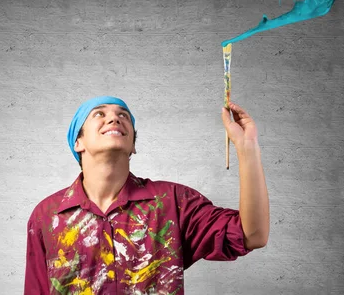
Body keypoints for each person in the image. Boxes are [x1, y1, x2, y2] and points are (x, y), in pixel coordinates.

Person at [24, 96, 269, 294]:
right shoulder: (47, 216)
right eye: (100, 113)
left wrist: (247, 148)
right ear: (78, 141)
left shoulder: (173, 202)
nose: (114, 118)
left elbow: (253, 235)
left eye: (123, 116)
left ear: (133, 145)